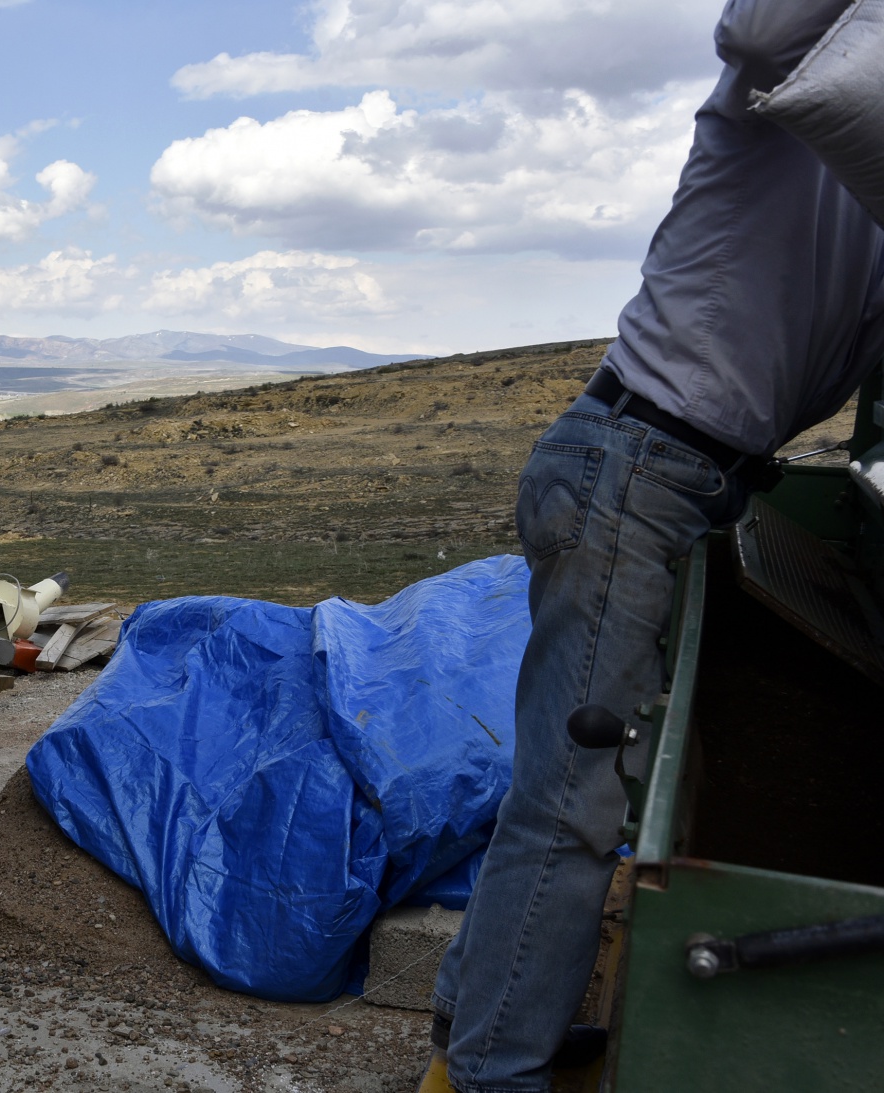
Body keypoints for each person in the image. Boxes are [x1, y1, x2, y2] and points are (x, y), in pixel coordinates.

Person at [426, 2, 884, 1090]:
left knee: (568, 777)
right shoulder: (803, 80)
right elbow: (760, 30)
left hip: (671, 475)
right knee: (576, 797)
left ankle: (484, 1016)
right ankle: (494, 1069)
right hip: (634, 463)